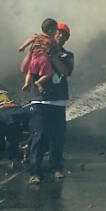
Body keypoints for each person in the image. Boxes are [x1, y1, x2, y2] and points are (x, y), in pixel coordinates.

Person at [27, 22, 74, 184]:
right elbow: (26, 69)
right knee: (39, 136)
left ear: (66, 39)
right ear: (52, 33)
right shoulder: (38, 51)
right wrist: (34, 52)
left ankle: (56, 168)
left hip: (58, 102)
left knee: (58, 137)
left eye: (64, 35)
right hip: (39, 100)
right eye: (58, 33)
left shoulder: (68, 55)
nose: (60, 36)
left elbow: (65, 71)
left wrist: (53, 56)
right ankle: (34, 171)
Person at [18, 18, 59, 93]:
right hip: (43, 59)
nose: (56, 32)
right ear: (50, 30)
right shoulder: (52, 40)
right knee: (48, 74)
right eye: (56, 30)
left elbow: (29, 41)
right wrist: (57, 51)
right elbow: (57, 48)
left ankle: (26, 83)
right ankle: (39, 82)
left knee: (30, 72)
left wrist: (22, 47)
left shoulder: (36, 36)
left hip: (34, 58)